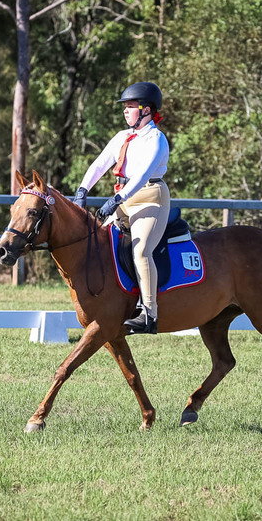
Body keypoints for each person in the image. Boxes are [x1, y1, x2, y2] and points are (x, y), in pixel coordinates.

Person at [73, 82, 170, 334]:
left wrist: (115, 201)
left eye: (130, 107)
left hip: (150, 198)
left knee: (141, 251)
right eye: (125, 107)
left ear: (146, 110)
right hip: (123, 199)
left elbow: (140, 176)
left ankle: (149, 313)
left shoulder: (156, 139)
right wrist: (82, 191)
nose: (125, 111)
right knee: (96, 244)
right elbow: (99, 165)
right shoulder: (122, 137)